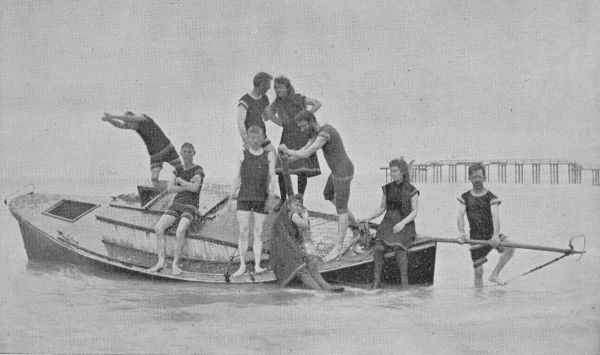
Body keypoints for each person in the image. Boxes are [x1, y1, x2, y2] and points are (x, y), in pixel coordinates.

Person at [279, 110, 358, 262]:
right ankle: (355, 226)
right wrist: (288, 159)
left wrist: (288, 150)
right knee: (328, 194)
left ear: (311, 121)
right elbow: (303, 151)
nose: (302, 130)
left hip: (344, 170)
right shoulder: (315, 134)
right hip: (336, 171)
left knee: (341, 208)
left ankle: (338, 247)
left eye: (303, 126)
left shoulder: (325, 132)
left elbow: (308, 153)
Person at [359, 158, 419, 289]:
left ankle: (405, 282)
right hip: (388, 222)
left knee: (399, 247)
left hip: (404, 224)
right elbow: (382, 208)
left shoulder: (412, 190)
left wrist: (402, 223)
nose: (392, 174)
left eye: (395, 171)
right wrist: (368, 218)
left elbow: (414, 212)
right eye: (391, 171)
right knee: (378, 248)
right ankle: (377, 282)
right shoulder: (388, 188)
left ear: (403, 172)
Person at [147, 142, 204, 275]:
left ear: (194, 153)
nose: (187, 155)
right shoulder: (177, 169)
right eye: (184, 152)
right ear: (181, 153)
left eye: (190, 152)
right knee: (158, 228)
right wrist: (187, 185)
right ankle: (161, 262)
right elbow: (170, 188)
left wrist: (181, 181)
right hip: (176, 204)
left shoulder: (198, 170)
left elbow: (195, 188)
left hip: (191, 206)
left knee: (180, 230)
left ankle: (175, 264)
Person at [229, 125, 278, 277]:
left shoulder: (269, 155)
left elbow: (273, 177)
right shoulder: (242, 154)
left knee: (258, 232)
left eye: (258, 137)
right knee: (243, 231)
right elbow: (236, 177)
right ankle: (242, 265)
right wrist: (231, 197)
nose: (255, 140)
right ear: (248, 139)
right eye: (252, 137)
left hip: (261, 197)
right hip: (244, 196)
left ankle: (257, 265)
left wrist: (271, 195)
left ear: (263, 138)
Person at [264, 76, 321, 202]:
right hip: (287, 136)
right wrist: (278, 121)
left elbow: (317, 103)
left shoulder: (297, 98)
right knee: (282, 169)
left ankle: (299, 200)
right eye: (276, 87)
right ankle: (284, 201)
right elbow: (267, 117)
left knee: (302, 170)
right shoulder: (277, 103)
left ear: (287, 88)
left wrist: (306, 117)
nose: (277, 90)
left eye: (280, 87)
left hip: (302, 135)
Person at [269, 195, 344, 292]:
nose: (298, 208)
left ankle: (325, 286)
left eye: (300, 206)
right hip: (284, 248)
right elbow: (304, 225)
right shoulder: (293, 214)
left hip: (289, 245)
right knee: (301, 269)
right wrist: (306, 216)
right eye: (296, 205)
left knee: (311, 263)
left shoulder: (291, 214)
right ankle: (318, 289)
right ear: (289, 206)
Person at [457, 162, 515, 287]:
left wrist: (495, 235)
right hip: (475, 239)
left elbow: (495, 216)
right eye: (474, 177)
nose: (477, 180)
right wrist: (462, 233)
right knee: (478, 272)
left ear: (485, 177)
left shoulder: (491, 197)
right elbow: (460, 215)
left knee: (510, 247)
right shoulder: (465, 197)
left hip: (491, 236)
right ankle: (478, 300)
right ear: (469, 179)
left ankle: (495, 274)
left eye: (479, 176)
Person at [101, 111, 182, 181]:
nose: (130, 126)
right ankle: (154, 192)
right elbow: (120, 125)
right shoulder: (135, 126)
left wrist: (113, 116)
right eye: (128, 125)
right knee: (154, 176)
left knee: (180, 169)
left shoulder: (144, 119)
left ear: (133, 119)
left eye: (130, 123)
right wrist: (110, 120)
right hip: (155, 155)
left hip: (167, 148)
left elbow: (129, 119)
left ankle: (189, 184)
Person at [237, 72, 276, 155]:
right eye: (268, 85)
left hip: (263, 138)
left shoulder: (264, 98)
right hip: (251, 140)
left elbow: (267, 117)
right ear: (262, 84)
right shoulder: (244, 100)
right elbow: (240, 123)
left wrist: (277, 104)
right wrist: (246, 141)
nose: (269, 88)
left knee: (275, 160)